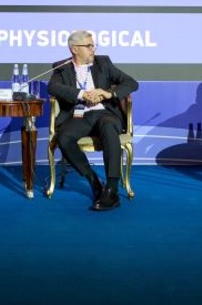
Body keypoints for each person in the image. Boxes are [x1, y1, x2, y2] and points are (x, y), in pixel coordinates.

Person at [47, 30, 139, 211]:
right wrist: (82, 94)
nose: (93, 49)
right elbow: (53, 87)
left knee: (109, 127)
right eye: (89, 46)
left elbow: (131, 83)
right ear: (75, 49)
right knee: (64, 138)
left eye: (93, 45)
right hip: (79, 115)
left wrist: (108, 93)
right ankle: (94, 181)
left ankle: (112, 190)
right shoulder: (62, 67)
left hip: (104, 113)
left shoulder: (103, 62)